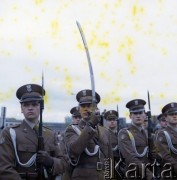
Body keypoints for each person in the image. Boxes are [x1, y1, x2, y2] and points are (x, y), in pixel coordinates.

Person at [0, 83, 67, 180]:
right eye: (26, 105)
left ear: (41, 107)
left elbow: (64, 164)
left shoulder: (50, 134)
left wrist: (51, 161)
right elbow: (4, 167)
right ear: (21, 109)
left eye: (34, 104)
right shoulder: (10, 133)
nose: (30, 108)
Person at [64, 89, 113, 180]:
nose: (86, 109)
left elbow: (110, 160)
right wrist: (90, 125)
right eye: (83, 106)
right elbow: (75, 150)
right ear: (79, 109)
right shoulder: (72, 130)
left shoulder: (105, 131)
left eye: (90, 105)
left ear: (96, 108)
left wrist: (111, 177)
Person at [118, 99, 154, 180]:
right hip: (133, 174)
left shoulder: (146, 133)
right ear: (130, 116)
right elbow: (130, 158)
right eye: (135, 113)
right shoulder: (124, 133)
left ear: (144, 115)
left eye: (141, 113)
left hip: (147, 171)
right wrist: (149, 174)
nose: (138, 116)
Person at [155, 102, 177, 179]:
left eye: (176, 114)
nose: (175, 116)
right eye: (171, 114)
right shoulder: (162, 134)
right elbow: (165, 156)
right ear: (166, 117)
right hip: (170, 172)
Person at [104, 110, 121, 179]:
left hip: (122, 165)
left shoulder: (121, 134)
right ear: (106, 122)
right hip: (110, 165)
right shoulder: (104, 135)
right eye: (109, 120)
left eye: (114, 119)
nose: (112, 121)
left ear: (117, 121)